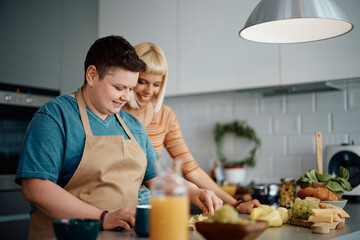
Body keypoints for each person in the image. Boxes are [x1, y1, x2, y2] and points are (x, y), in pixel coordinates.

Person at [15, 35, 222, 240]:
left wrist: (195, 193)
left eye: (131, 89)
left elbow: (158, 179)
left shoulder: (132, 126)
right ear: (92, 75)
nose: (127, 97)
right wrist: (103, 218)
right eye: (119, 88)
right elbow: (36, 188)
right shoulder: (55, 116)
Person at [123, 42, 260, 214]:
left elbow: (190, 168)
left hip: (148, 199)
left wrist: (236, 204)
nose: (149, 91)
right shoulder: (114, 111)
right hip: (115, 197)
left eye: (156, 84)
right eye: (142, 82)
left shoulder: (165, 115)